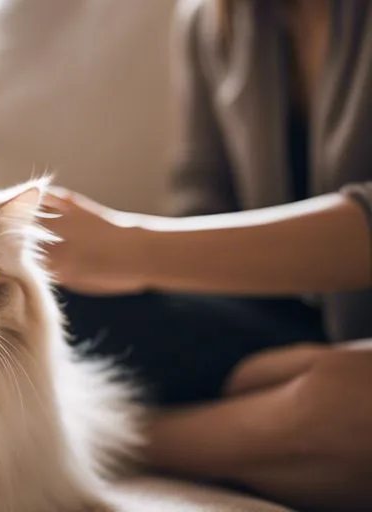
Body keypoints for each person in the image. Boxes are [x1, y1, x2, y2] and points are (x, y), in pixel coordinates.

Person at [41, 0, 372, 510]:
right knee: (41, 296)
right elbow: (203, 201)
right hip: (287, 323)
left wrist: (128, 247)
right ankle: (283, 405)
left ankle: (113, 434)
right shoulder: (211, 18)